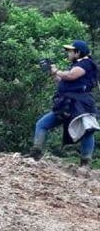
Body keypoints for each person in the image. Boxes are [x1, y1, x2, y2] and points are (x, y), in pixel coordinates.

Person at [31, 39, 98, 167]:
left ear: (78, 52)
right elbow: (63, 82)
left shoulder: (86, 63)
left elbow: (71, 76)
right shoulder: (75, 65)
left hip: (81, 104)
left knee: (88, 131)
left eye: (70, 51)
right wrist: (53, 73)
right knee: (42, 124)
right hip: (67, 104)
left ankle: (85, 163)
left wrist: (57, 71)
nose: (68, 53)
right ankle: (35, 153)